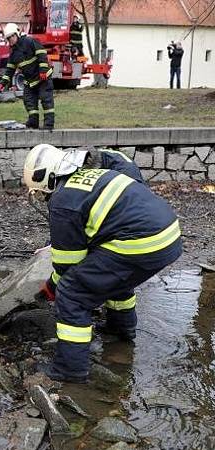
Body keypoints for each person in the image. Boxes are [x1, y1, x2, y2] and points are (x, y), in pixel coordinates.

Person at [24, 143, 182, 383]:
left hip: (141, 242)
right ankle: (122, 329)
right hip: (168, 235)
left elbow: (69, 266)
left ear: (47, 178)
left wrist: (53, 287)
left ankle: (70, 369)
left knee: (72, 294)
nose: (42, 197)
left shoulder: (63, 200)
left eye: (39, 192)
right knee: (113, 275)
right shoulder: (94, 175)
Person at [0, 23, 54, 130]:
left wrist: (43, 70)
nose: (10, 39)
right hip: (30, 81)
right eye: (8, 38)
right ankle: (33, 122)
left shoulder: (30, 42)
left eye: (12, 36)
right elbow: (9, 70)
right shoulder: (13, 54)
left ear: (17, 34)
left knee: (46, 100)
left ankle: (49, 125)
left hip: (43, 78)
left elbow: (42, 54)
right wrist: (2, 83)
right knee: (29, 101)